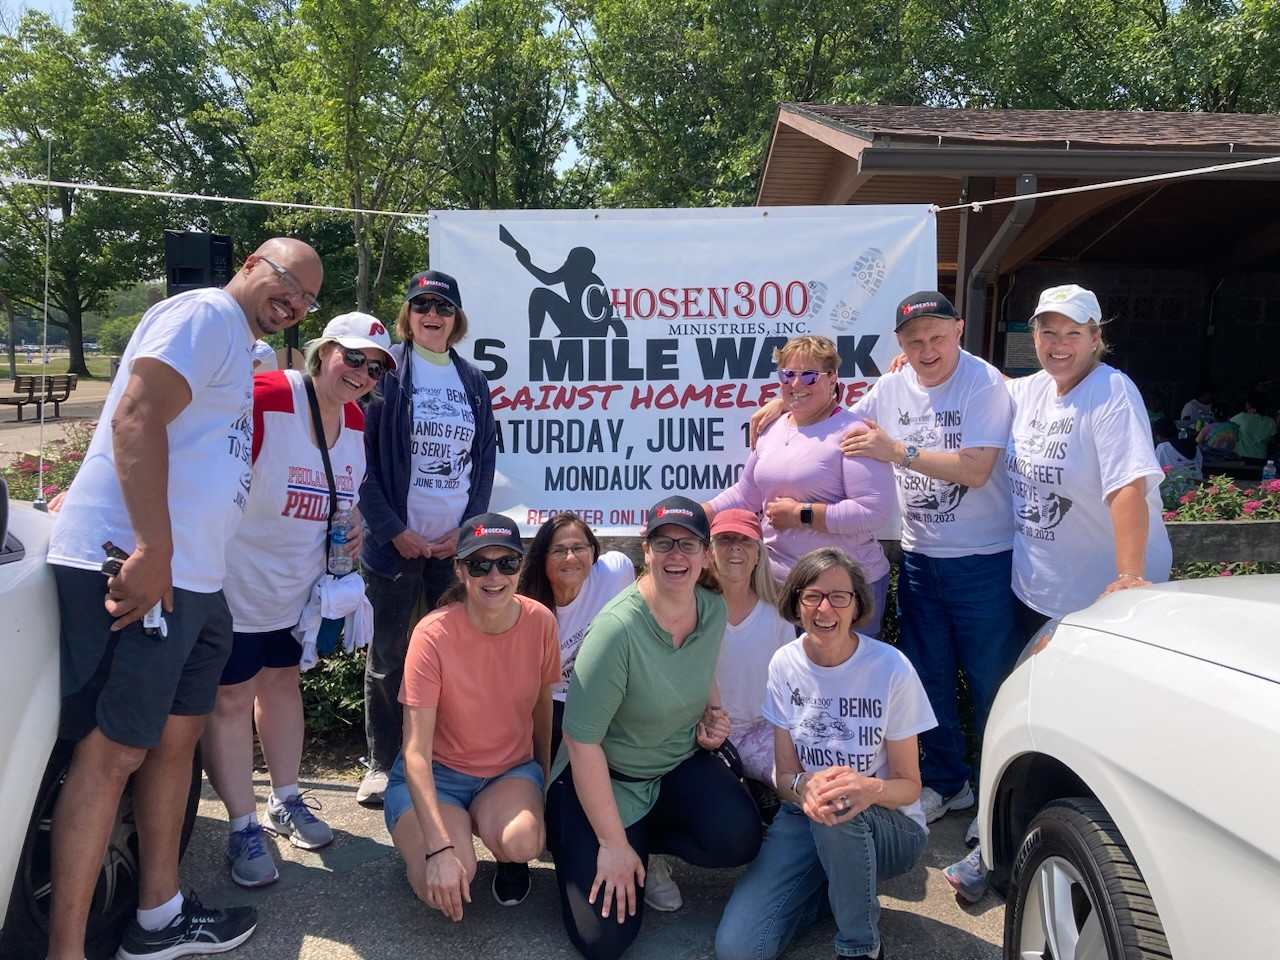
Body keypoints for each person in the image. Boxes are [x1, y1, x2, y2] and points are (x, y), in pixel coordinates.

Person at [44, 237, 322, 960]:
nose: (293, 305)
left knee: (173, 743)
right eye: (289, 284)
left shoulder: (238, 341)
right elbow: (137, 415)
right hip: (138, 566)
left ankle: (159, 918)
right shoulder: (203, 314)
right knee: (111, 754)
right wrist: (153, 550)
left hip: (197, 579)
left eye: (306, 301)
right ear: (254, 262)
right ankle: (66, 949)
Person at [946, 282, 1174, 906]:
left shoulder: (1111, 391)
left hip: (1099, 602)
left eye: (1073, 332)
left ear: (1098, 337)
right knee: (1027, 716)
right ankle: (1006, 838)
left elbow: (1128, 486)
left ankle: (1074, 860)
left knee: (1088, 732)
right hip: (1035, 589)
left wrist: (1129, 580)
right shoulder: (1027, 390)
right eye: (1048, 332)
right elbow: (956, 372)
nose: (1059, 344)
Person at [203, 313, 394, 887]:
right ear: (324, 351)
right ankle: (241, 825)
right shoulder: (270, 394)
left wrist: (356, 526)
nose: (362, 372)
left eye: (375, 365)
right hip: (233, 585)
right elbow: (194, 443)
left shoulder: (358, 420)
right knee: (232, 701)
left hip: (297, 592)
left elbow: (346, 497)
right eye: (353, 357)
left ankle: (284, 799)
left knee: (282, 689)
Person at [546, 496, 762, 960]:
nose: (676, 555)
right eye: (663, 543)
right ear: (646, 550)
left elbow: (703, 669)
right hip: (604, 779)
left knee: (740, 837)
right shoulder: (616, 631)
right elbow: (580, 742)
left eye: (688, 544)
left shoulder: (712, 608)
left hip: (672, 767)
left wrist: (713, 713)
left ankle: (644, 847)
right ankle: (601, 843)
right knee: (603, 942)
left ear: (706, 554)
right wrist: (612, 843)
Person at [838, 291, 1022, 827]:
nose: (927, 350)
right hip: (920, 559)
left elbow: (976, 469)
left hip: (984, 560)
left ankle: (1000, 801)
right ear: (899, 344)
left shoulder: (983, 383)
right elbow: (841, 425)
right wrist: (788, 403)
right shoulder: (891, 385)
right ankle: (948, 784)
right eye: (914, 341)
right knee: (928, 681)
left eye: (937, 337)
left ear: (959, 330)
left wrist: (898, 451)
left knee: (992, 684)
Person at [716, 548, 936, 960]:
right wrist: (805, 786)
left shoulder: (892, 668)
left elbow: (909, 788)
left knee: (838, 801)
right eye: (812, 596)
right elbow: (785, 780)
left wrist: (865, 788)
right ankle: (838, 889)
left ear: (857, 606)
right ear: (796, 604)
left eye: (839, 597)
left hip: (890, 827)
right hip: (805, 816)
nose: (825, 608)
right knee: (739, 949)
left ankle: (859, 946)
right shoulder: (785, 663)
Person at [357, 269, 497, 806]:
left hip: (453, 550)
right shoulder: (385, 372)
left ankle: (442, 754)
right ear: (408, 315)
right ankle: (382, 761)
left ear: (455, 318)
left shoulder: (472, 379)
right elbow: (361, 461)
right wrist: (395, 531)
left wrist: (466, 531)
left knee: (452, 653)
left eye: (442, 307)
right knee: (390, 653)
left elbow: (484, 459)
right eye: (422, 306)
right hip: (394, 547)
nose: (431, 315)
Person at [383, 513, 558, 917]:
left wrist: (543, 779)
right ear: (460, 571)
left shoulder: (540, 621)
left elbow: (542, 703)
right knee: (448, 877)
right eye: (479, 564)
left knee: (523, 841)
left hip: (508, 772)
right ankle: (437, 837)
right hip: (439, 773)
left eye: (507, 562)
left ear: (520, 567)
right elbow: (414, 751)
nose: (493, 575)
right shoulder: (432, 634)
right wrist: (440, 848)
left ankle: (504, 855)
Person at [518, 516, 693, 913]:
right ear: (542, 559)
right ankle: (577, 837)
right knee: (569, 752)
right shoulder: (528, 607)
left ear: (594, 552)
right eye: (559, 549)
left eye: (579, 547)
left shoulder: (614, 570)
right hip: (557, 704)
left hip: (619, 694)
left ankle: (647, 849)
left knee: (632, 744)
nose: (571, 557)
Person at [706, 335, 894, 635]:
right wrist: (693, 516)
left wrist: (802, 514)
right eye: (788, 375)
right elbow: (746, 495)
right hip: (776, 588)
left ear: (832, 378)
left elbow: (874, 511)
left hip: (843, 588)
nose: (796, 384)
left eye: (809, 375)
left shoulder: (854, 432)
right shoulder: (771, 428)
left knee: (839, 678)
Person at [707, 508, 790, 790]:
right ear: (710, 551)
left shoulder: (776, 611)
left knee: (795, 780)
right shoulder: (694, 610)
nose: (735, 548)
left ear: (758, 554)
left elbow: (791, 680)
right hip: (707, 733)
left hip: (763, 730)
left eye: (745, 541)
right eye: (725, 539)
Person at [1230, 389, 1277, 462]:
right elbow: (1273, 443)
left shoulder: (1238, 418)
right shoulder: (1270, 421)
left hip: (1239, 459)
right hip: (1261, 460)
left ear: (1248, 404)